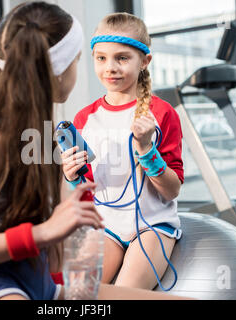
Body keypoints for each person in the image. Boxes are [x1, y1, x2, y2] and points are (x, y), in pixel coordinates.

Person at [0, 2, 189, 301]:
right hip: (3, 288)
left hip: (41, 283)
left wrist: (66, 218)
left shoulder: (44, 134)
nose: (108, 67)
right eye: (88, 58)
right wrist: (46, 232)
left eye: (121, 58)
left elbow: (54, 258)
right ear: (58, 70)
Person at [62, 12, 184, 291]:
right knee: (77, 294)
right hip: (107, 227)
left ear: (144, 61)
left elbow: (172, 190)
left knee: (123, 294)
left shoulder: (162, 114)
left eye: (122, 58)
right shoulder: (84, 118)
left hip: (152, 227)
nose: (110, 67)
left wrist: (145, 148)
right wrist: (72, 177)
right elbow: (86, 190)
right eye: (101, 58)